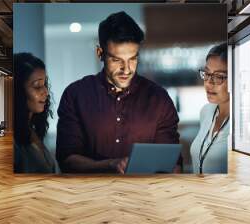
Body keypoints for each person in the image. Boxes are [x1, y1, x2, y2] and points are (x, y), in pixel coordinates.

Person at [56, 11, 180, 173]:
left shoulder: (159, 99)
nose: (126, 70)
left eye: (133, 59)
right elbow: (67, 159)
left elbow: (172, 164)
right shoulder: (75, 95)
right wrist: (110, 164)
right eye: (116, 60)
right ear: (100, 53)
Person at [189, 43, 229, 174]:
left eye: (219, 76)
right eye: (207, 73)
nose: (208, 82)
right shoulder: (206, 111)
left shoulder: (245, 123)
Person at [13, 52, 56, 173]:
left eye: (44, 85)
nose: (46, 92)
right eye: (37, 86)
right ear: (19, 92)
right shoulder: (13, 142)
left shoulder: (32, 129)